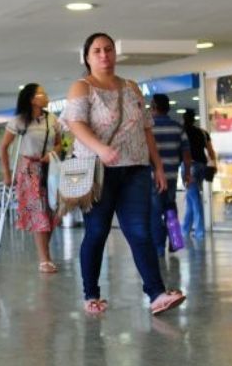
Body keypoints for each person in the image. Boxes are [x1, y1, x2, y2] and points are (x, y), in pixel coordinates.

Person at [61, 32, 185, 315]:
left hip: (135, 169)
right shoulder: (81, 88)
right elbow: (75, 124)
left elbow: (146, 128)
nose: (104, 55)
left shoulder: (131, 87)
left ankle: (156, 294)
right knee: (97, 231)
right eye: (97, 51)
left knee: (140, 230)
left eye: (108, 49)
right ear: (87, 57)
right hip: (97, 170)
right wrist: (101, 149)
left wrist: (158, 166)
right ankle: (91, 294)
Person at [0, 84, 61, 273]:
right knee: (38, 212)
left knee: (53, 212)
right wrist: (7, 174)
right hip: (28, 169)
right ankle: (44, 259)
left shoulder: (52, 119)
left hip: (51, 167)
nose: (46, 96)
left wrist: (51, 154)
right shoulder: (19, 121)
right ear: (32, 99)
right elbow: (3, 147)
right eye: (42, 93)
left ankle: (45, 251)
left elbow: (59, 144)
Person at [149, 94, 191, 256]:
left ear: (153, 107)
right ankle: (175, 241)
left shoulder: (149, 128)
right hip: (172, 176)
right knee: (169, 208)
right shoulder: (178, 127)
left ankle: (159, 247)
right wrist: (187, 173)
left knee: (154, 212)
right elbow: (186, 153)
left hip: (154, 178)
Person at [182, 109, 217, 239]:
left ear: (184, 119)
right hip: (202, 166)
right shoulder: (203, 133)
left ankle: (199, 232)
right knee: (192, 199)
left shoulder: (182, 132)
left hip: (188, 166)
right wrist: (214, 164)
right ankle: (184, 230)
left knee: (195, 200)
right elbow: (210, 150)